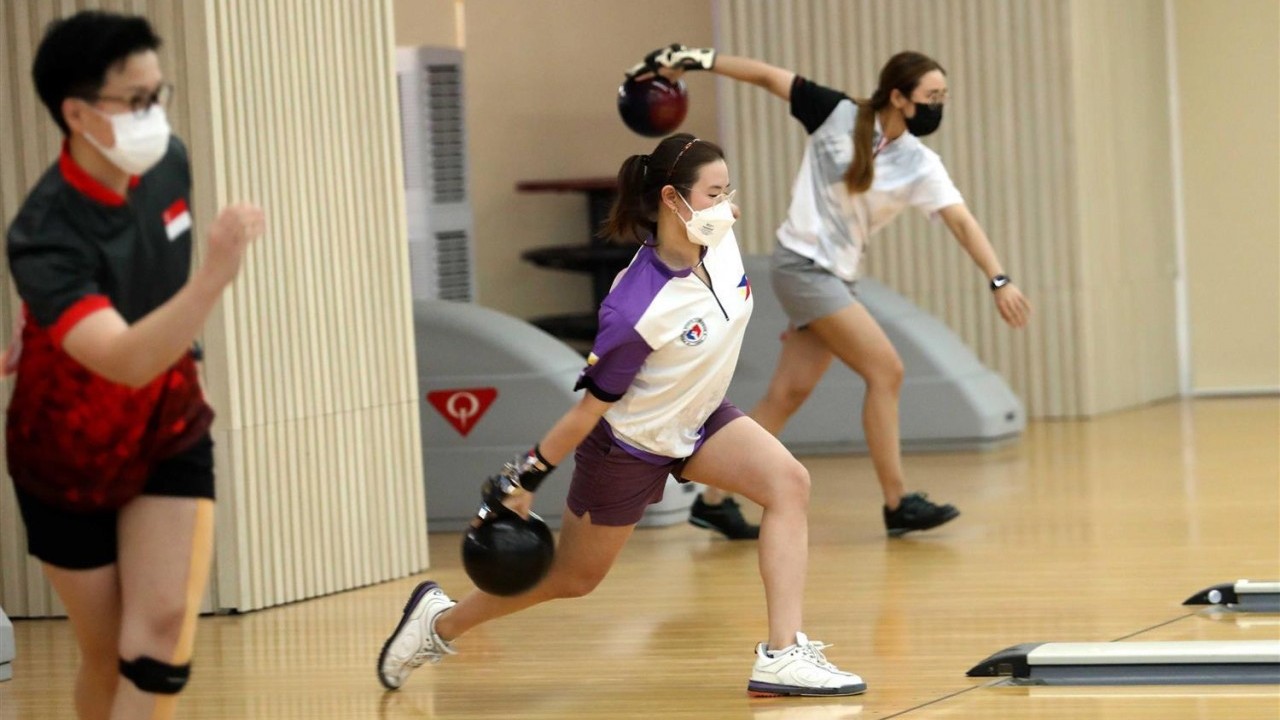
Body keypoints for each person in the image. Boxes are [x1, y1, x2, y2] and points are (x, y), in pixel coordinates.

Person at [377, 133, 865, 698]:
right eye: (713, 192)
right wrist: (524, 477)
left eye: (727, 189)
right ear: (672, 201)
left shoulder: (718, 236)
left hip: (700, 419)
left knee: (789, 484)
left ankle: (782, 654)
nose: (728, 202)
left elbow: (726, 221)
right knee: (573, 579)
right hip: (629, 445)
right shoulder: (637, 307)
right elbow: (587, 410)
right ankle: (437, 623)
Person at [632, 45, 1032, 539]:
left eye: (943, 95)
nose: (939, 104)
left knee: (788, 393)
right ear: (899, 97)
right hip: (803, 267)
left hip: (835, 277)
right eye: (932, 94)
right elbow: (764, 75)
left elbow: (961, 222)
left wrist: (998, 277)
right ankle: (897, 502)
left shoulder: (920, 163)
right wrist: (694, 58)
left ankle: (714, 499)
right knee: (886, 370)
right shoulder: (836, 113)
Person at [5, 11, 263, 720]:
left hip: (169, 421)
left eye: (161, 94)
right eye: (138, 100)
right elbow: (120, 360)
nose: (156, 116)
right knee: (104, 652)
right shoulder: (43, 232)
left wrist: (192, 353)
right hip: (66, 449)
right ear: (79, 113)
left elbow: (146, 300)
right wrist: (215, 274)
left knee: (155, 647)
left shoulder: (167, 162)